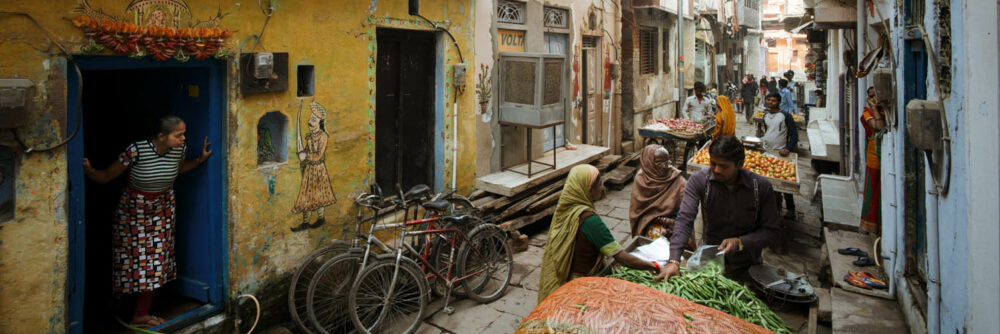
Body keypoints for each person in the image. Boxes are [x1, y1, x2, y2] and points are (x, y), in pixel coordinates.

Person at [82, 115, 213, 328]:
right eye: (178, 135)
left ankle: (141, 313)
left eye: (183, 134)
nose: (183, 139)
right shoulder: (136, 150)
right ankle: (117, 303)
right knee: (128, 257)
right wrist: (89, 171)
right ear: (161, 136)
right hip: (134, 210)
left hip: (162, 208)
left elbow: (177, 169)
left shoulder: (179, 150)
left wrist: (199, 160)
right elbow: (106, 175)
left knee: (155, 260)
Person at [538, 164, 669, 302]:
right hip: (582, 284)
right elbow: (622, 258)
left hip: (565, 276)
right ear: (589, 189)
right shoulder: (591, 222)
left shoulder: (564, 210)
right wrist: (654, 266)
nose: (603, 188)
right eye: (600, 184)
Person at [663, 136, 781, 280]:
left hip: (748, 262)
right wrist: (674, 260)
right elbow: (684, 219)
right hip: (710, 258)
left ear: (739, 164)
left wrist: (741, 242)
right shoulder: (699, 181)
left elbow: (771, 230)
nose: (717, 170)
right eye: (713, 163)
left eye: (724, 166)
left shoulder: (760, 187)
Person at [291, 102, 338, 232]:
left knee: (318, 195)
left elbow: (317, 155)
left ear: (320, 123)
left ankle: (321, 218)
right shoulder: (310, 137)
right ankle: (305, 222)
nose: (309, 122)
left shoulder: (323, 137)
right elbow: (307, 150)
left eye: (313, 120)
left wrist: (305, 155)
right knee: (307, 195)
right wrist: (302, 153)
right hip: (309, 170)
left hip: (318, 169)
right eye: (310, 119)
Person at [629, 145, 687, 239]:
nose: (665, 166)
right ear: (649, 163)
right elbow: (640, 212)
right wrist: (666, 222)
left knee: (683, 238)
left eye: (667, 162)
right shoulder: (641, 179)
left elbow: (686, 208)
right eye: (659, 163)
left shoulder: (676, 178)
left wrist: (676, 223)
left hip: (675, 220)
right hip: (650, 222)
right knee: (657, 236)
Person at [762, 93, 798, 219]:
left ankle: (790, 209)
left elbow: (794, 135)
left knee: (784, 181)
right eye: (769, 100)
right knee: (769, 181)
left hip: (781, 152)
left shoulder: (785, 116)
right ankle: (774, 207)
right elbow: (767, 130)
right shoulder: (765, 115)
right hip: (767, 151)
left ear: (779, 102)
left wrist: (788, 148)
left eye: (774, 100)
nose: (771, 102)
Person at [860, 87, 886, 234]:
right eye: (872, 96)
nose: (875, 98)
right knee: (873, 188)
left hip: (884, 155)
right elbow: (879, 126)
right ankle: (870, 225)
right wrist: (874, 108)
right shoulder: (867, 113)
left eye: (877, 95)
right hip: (874, 156)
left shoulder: (886, 111)